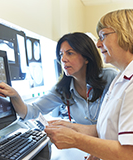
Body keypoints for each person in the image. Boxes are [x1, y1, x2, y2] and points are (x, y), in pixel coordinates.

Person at [44, 9, 133, 160]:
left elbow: (128, 154)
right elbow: (105, 130)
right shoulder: (120, 79)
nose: (98, 44)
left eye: (103, 36)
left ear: (126, 32)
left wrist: (75, 139)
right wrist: (71, 128)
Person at [0, 32, 117, 126]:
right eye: (61, 54)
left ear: (87, 57)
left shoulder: (109, 77)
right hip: (85, 148)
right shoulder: (62, 88)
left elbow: (118, 123)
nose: (63, 59)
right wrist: (15, 96)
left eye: (70, 53)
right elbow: (32, 112)